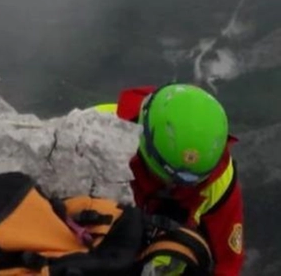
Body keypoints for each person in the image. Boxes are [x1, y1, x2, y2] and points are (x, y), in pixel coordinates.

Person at [97, 83, 244, 275]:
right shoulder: (91, 137)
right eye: (163, 175)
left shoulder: (219, 178)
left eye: (189, 182)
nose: (172, 185)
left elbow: (226, 263)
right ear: (143, 143)